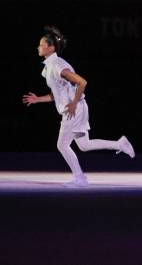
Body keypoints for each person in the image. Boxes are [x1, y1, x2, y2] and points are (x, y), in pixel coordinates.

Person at [22, 26, 135, 187]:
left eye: (41, 44)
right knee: (84, 145)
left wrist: (74, 103)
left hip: (74, 109)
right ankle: (120, 144)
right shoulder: (49, 67)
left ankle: (80, 177)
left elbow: (82, 82)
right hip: (76, 108)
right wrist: (38, 99)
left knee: (62, 145)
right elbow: (58, 93)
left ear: (51, 47)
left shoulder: (57, 65)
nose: (38, 47)